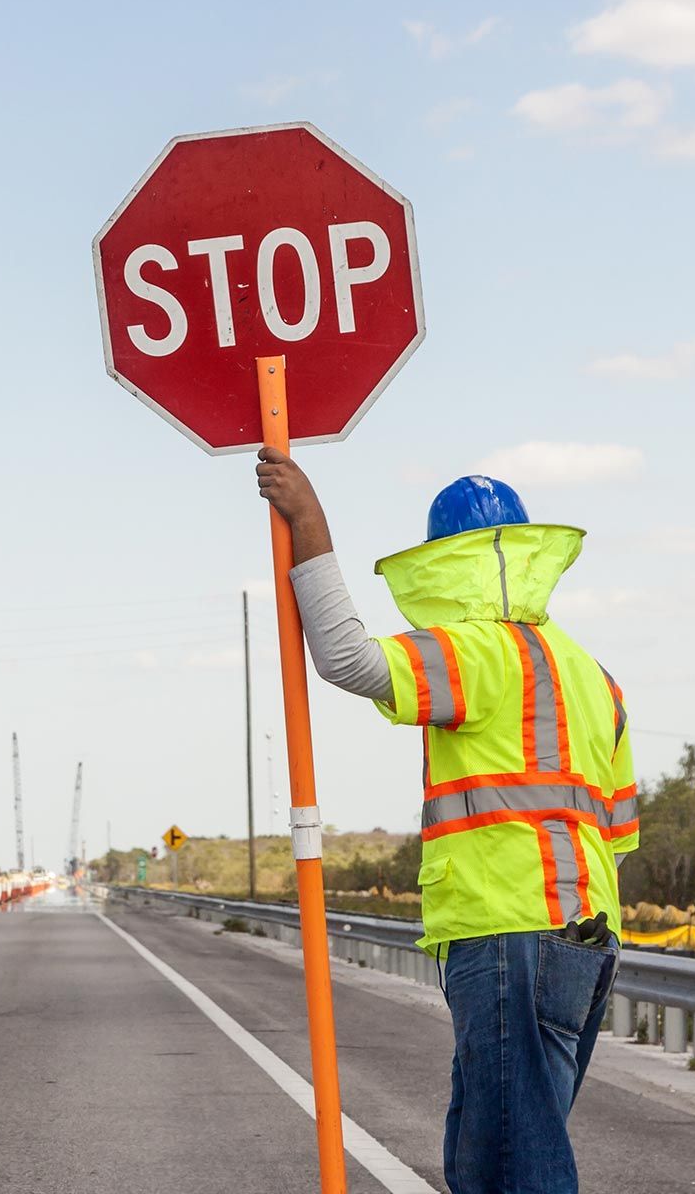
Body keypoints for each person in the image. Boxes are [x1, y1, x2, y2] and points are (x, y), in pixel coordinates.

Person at [255, 447, 638, 1194]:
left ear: (449, 563)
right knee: (494, 1151)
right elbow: (617, 835)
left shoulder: (480, 650)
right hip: (584, 938)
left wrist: (308, 520)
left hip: (506, 931)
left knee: (512, 1166)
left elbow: (346, 660)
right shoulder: (594, 675)